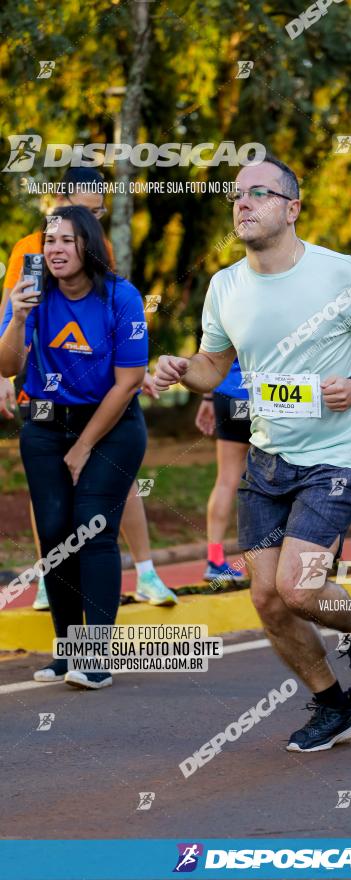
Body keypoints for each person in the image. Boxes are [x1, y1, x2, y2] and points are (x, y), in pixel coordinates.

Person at [154, 156, 351, 751]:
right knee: (269, 601)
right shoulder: (225, 286)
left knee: (300, 589)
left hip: (335, 457)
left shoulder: (338, 274)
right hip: (268, 459)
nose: (242, 203)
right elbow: (214, 366)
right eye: (236, 196)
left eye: (258, 194)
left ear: (292, 207)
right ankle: (332, 706)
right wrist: (179, 369)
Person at [0, 167, 176, 608]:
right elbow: (10, 326)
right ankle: (49, 580)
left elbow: (112, 320)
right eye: (81, 209)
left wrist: (136, 374)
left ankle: (146, 572)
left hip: (105, 401)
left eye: (97, 213)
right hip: (46, 401)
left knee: (106, 502)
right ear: (56, 200)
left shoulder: (98, 253)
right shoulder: (30, 252)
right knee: (55, 513)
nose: (89, 221)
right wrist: (4, 374)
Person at [0, 206, 149, 689]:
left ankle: (96, 658)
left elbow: (129, 382)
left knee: (94, 528)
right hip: (44, 425)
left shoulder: (120, 297)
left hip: (111, 427)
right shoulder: (31, 294)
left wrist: (84, 445)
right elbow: (7, 366)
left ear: (88, 245)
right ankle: (67, 653)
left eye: (67, 240)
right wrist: (18, 318)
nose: (55, 249)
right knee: (56, 534)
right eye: (49, 241)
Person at [195, 356, 251, 582]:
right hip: (261, 397)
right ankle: (273, 560)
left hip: (225, 394)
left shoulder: (225, 317)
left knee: (226, 480)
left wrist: (208, 398)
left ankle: (215, 560)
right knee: (273, 478)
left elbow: (210, 356)